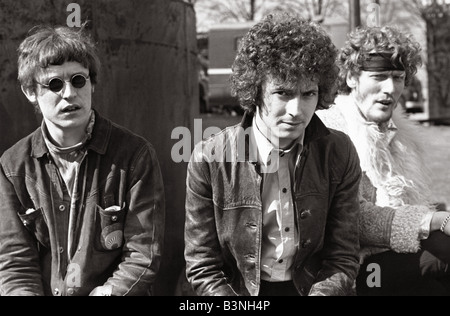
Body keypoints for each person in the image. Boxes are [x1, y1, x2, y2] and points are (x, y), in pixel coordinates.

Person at [184, 14, 362, 296]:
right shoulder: (210, 158)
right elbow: (202, 265)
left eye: (308, 94)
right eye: (282, 92)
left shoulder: (339, 152)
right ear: (256, 91)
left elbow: (343, 256)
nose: (296, 109)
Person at [0, 24, 165, 296]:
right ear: (30, 91)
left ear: (92, 82)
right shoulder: (13, 167)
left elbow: (143, 253)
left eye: (78, 80)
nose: (69, 93)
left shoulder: (134, 156)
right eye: (54, 84)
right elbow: (15, 263)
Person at [317, 26, 450, 296]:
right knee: (442, 257)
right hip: (354, 267)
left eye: (398, 77)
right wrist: (435, 220)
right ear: (352, 77)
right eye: (378, 77)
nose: (390, 89)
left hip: (398, 254)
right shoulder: (332, 131)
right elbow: (353, 220)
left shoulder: (403, 137)